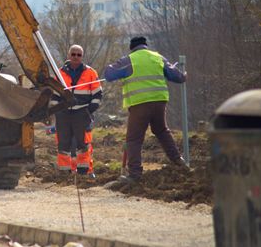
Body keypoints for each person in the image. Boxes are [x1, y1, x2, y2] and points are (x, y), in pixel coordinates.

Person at [103, 36, 187, 186]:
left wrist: (116, 69)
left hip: (139, 103)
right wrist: (183, 74)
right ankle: (178, 161)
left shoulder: (129, 59)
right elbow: (178, 77)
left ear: (132, 47)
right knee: (161, 130)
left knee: (134, 139)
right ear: (145, 46)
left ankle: (135, 174)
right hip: (160, 101)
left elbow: (109, 74)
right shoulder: (158, 57)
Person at [50, 45, 102, 175]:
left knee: (83, 143)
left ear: (82, 56)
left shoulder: (91, 73)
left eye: (79, 55)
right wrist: (57, 111)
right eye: (73, 54)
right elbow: (54, 95)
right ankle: (64, 172)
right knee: (63, 144)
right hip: (63, 113)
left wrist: (88, 111)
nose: (76, 57)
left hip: (82, 113)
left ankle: (84, 171)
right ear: (69, 55)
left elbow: (98, 95)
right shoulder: (59, 73)